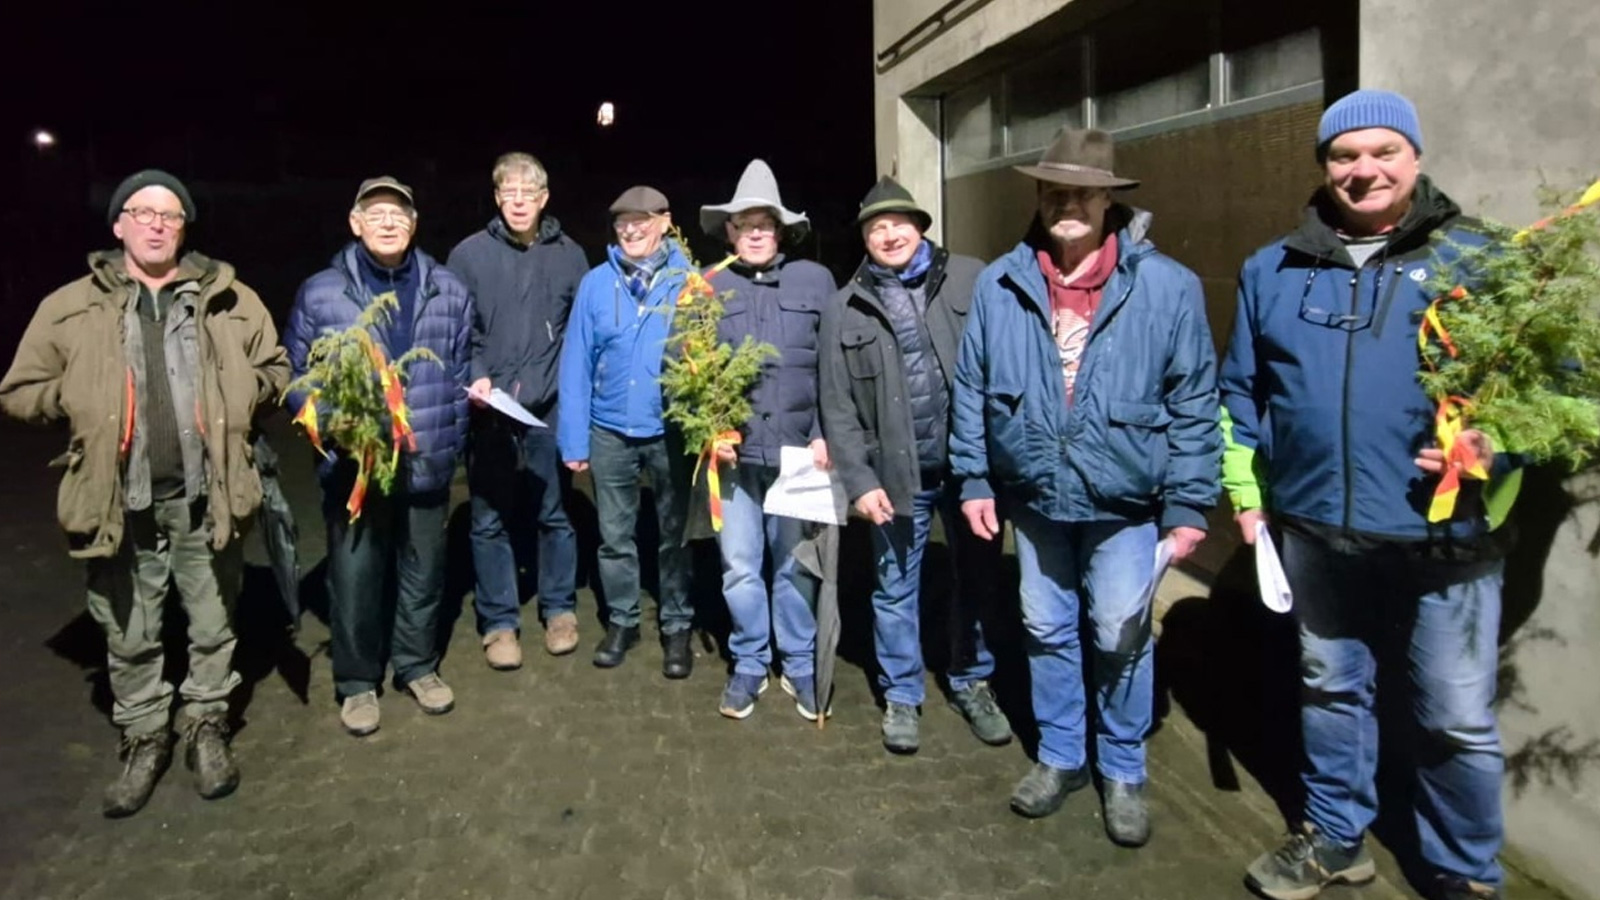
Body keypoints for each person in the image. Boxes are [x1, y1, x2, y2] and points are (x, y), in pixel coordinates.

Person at [1223, 90, 1515, 900]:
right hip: (1315, 529)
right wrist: (1247, 495)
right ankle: (1336, 837)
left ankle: (1467, 876)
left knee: (1453, 720)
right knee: (1331, 689)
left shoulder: (1480, 258)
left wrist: (1497, 444)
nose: (1364, 170)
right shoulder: (1273, 267)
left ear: (1415, 157)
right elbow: (1240, 393)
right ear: (1324, 167)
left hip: (1446, 535)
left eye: (1383, 151)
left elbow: (1550, 388)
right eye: (1345, 156)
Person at [949, 129, 1220, 846]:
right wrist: (975, 476)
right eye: (1054, 192)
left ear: (1109, 200)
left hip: (1122, 500)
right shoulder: (1002, 284)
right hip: (1035, 498)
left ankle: (1124, 769)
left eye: (1082, 192)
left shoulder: (1166, 287)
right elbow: (972, 387)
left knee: (1118, 632)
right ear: (1039, 199)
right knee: (1043, 629)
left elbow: (1196, 400)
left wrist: (1191, 502)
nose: (1067, 204)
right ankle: (1063, 756)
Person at [0, 169, 288, 816]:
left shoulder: (228, 297)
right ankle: (144, 732)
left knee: (214, 621)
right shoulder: (71, 305)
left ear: (184, 228)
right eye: (143, 212)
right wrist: (69, 400)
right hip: (116, 501)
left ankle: (206, 723)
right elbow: (17, 392)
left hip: (206, 494)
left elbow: (276, 368)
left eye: (170, 214)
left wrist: (248, 392)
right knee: (129, 630)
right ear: (118, 225)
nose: (157, 224)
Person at [818, 175, 1010, 755]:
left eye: (899, 222)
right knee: (894, 588)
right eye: (876, 227)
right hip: (896, 478)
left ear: (921, 226)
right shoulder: (843, 306)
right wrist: (860, 480)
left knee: (976, 578)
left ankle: (970, 679)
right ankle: (902, 693)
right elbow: (837, 405)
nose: (889, 234)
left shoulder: (975, 278)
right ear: (865, 239)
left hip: (970, 472)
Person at [285, 176, 473, 737]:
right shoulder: (321, 292)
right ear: (355, 223)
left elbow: (460, 373)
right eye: (376, 213)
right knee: (356, 576)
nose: (388, 222)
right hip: (355, 464)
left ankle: (417, 666)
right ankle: (358, 681)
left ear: (414, 225)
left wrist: (453, 440)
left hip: (426, 458)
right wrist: (329, 423)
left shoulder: (448, 288)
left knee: (424, 573)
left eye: (398, 214)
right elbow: (296, 374)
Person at [697, 159, 836, 720]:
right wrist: (707, 430)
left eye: (765, 222)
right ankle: (751, 661)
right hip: (733, 459)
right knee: (739, 566)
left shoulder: (815, 282)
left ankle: (798, 661)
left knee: (796, 563)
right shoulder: (706, 287)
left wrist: (827, 434)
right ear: (729, 231)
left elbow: (834, 369)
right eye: (745, 223)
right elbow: (688, 372)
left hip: (801, 453)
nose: (755, 232)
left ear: (781, 230)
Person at [448, 152, 588, 668]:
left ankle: (559, 609)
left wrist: (574, 400)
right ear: (497, 197)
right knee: (488, 519)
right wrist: (477, 373)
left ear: (545, 198)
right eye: (510, 192)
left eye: (529, 193)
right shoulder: (468, 256)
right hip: (490, 410)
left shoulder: (570, 255)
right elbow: (461, 329)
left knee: (555, 513)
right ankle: (500, 622)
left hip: (548, 410)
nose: (519, 201)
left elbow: (580, 332)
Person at [557, 186, 696, 678]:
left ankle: (677, 624)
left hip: (670, 431)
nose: (632, 230)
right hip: (610, 429)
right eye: (622, 223)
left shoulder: (691, 282)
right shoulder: (597, 284)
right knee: (614, 536)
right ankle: (623, 619)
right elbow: (575, 364)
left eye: (642, 220)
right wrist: (574, 439)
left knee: (674, 534)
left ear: (665, 221)